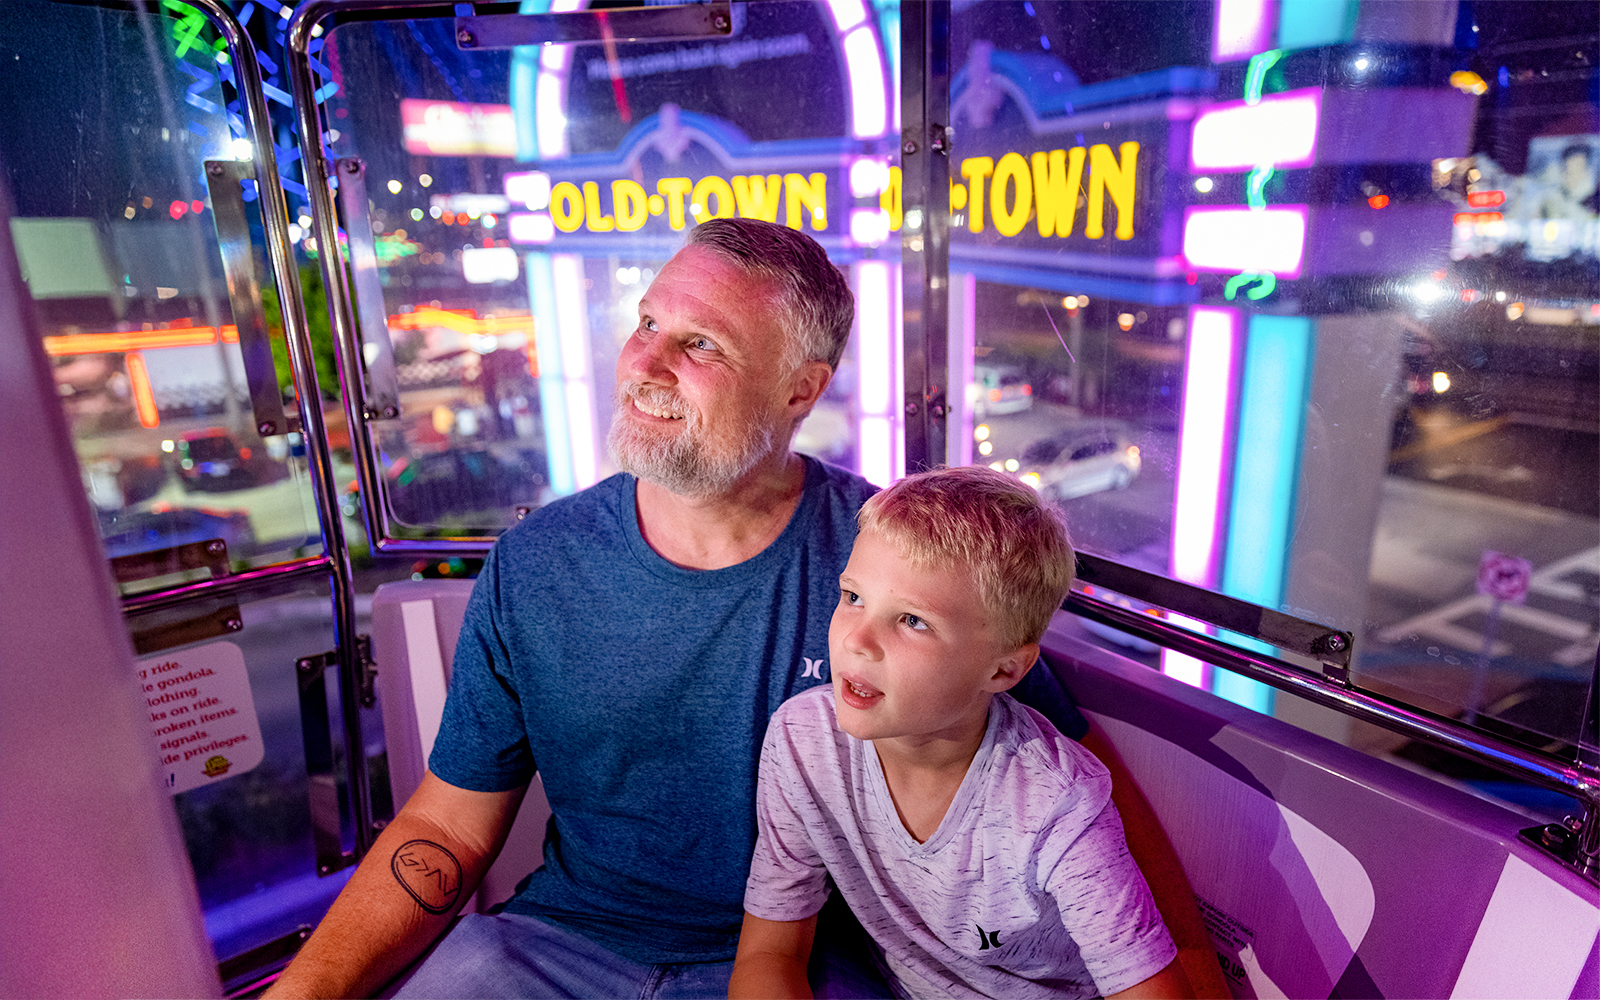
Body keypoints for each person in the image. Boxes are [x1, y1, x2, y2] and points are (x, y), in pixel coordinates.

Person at [266, 218, 1224, 999]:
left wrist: (1190, 970)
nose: (646, 362)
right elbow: (448, 828)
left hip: (807, 959)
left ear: (798, 390)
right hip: (555, 947)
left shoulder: (897, 560)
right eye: (647, 324)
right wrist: (306, 993)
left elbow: (1077, 784)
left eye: (700, 345)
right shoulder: (535, 563)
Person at [731, 467, 1194, 1000]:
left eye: (912, 621)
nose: (856, 640)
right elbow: (770, 952)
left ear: (1002, 672)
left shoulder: (1055, 804)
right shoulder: (801, 739)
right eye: (853, 597)